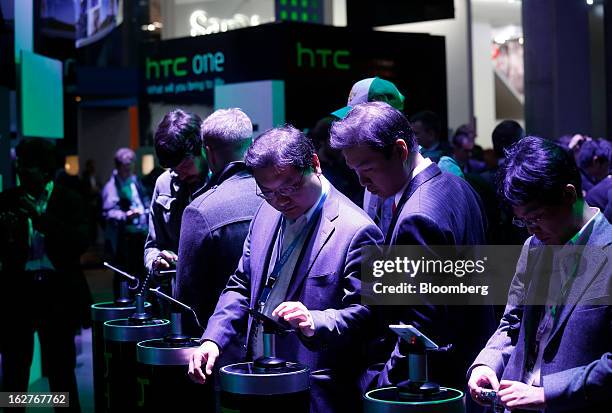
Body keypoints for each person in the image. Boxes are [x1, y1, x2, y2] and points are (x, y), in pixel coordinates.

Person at [188, 125, 384, 412]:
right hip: (257, 380)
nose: (281, 201)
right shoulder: (266, 212)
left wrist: (315, 320)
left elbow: (369, 315)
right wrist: (213, 338)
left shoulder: (358, 230)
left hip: (311, 392)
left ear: (315, 165)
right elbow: (241, 285)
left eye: (290, 187)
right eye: (268, 192)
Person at [330, 101, 494, 394]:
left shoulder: (417, 217)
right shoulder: (459, 186)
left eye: (367, 169)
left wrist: (381, 386)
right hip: (471, 367)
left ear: (400, 150)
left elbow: (418, 332)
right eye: (355, 170)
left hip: (430, 385)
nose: (362, 182)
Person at [467, 136, 612, 412]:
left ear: (569, 195)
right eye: (522, 220)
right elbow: (512, 321)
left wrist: (548, 394)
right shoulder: (535, 246)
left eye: (535, 218)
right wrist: (487, 363)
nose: (530, 230)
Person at [0, 139, 91, 412]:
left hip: (57, 293)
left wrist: (39, 218)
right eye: (19, 166)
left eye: (28, 167)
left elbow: (79, 243)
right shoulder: (7, 200)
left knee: (61, 371)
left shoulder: (69, 199)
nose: (21, 172)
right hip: (18, 293)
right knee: (14, 371)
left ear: (45, 171)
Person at [175, 108, 262, 342]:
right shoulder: (280, 198)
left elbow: (186, 300)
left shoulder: (199, 211)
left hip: (220, 345)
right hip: (278, 344)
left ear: (208, 154)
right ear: (252, 144)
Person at [144, 109, 209, 276]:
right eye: (174, 169)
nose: (181, 174)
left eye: (186, 166)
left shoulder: (223, 183)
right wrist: (156, 262)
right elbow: (152, 245)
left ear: (203, 149)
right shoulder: (163, 184)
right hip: (174, 294)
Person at [102, 148, 149, 291]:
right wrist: (125, 215)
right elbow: (107, 213)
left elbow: (144, 200)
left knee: (140, 274)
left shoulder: (135, 181)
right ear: (119, 166)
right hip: (125, 240)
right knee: (124, 275)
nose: (129, 169)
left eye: (131, 165)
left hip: (140, 236)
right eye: (126, 166)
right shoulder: (111, 187)